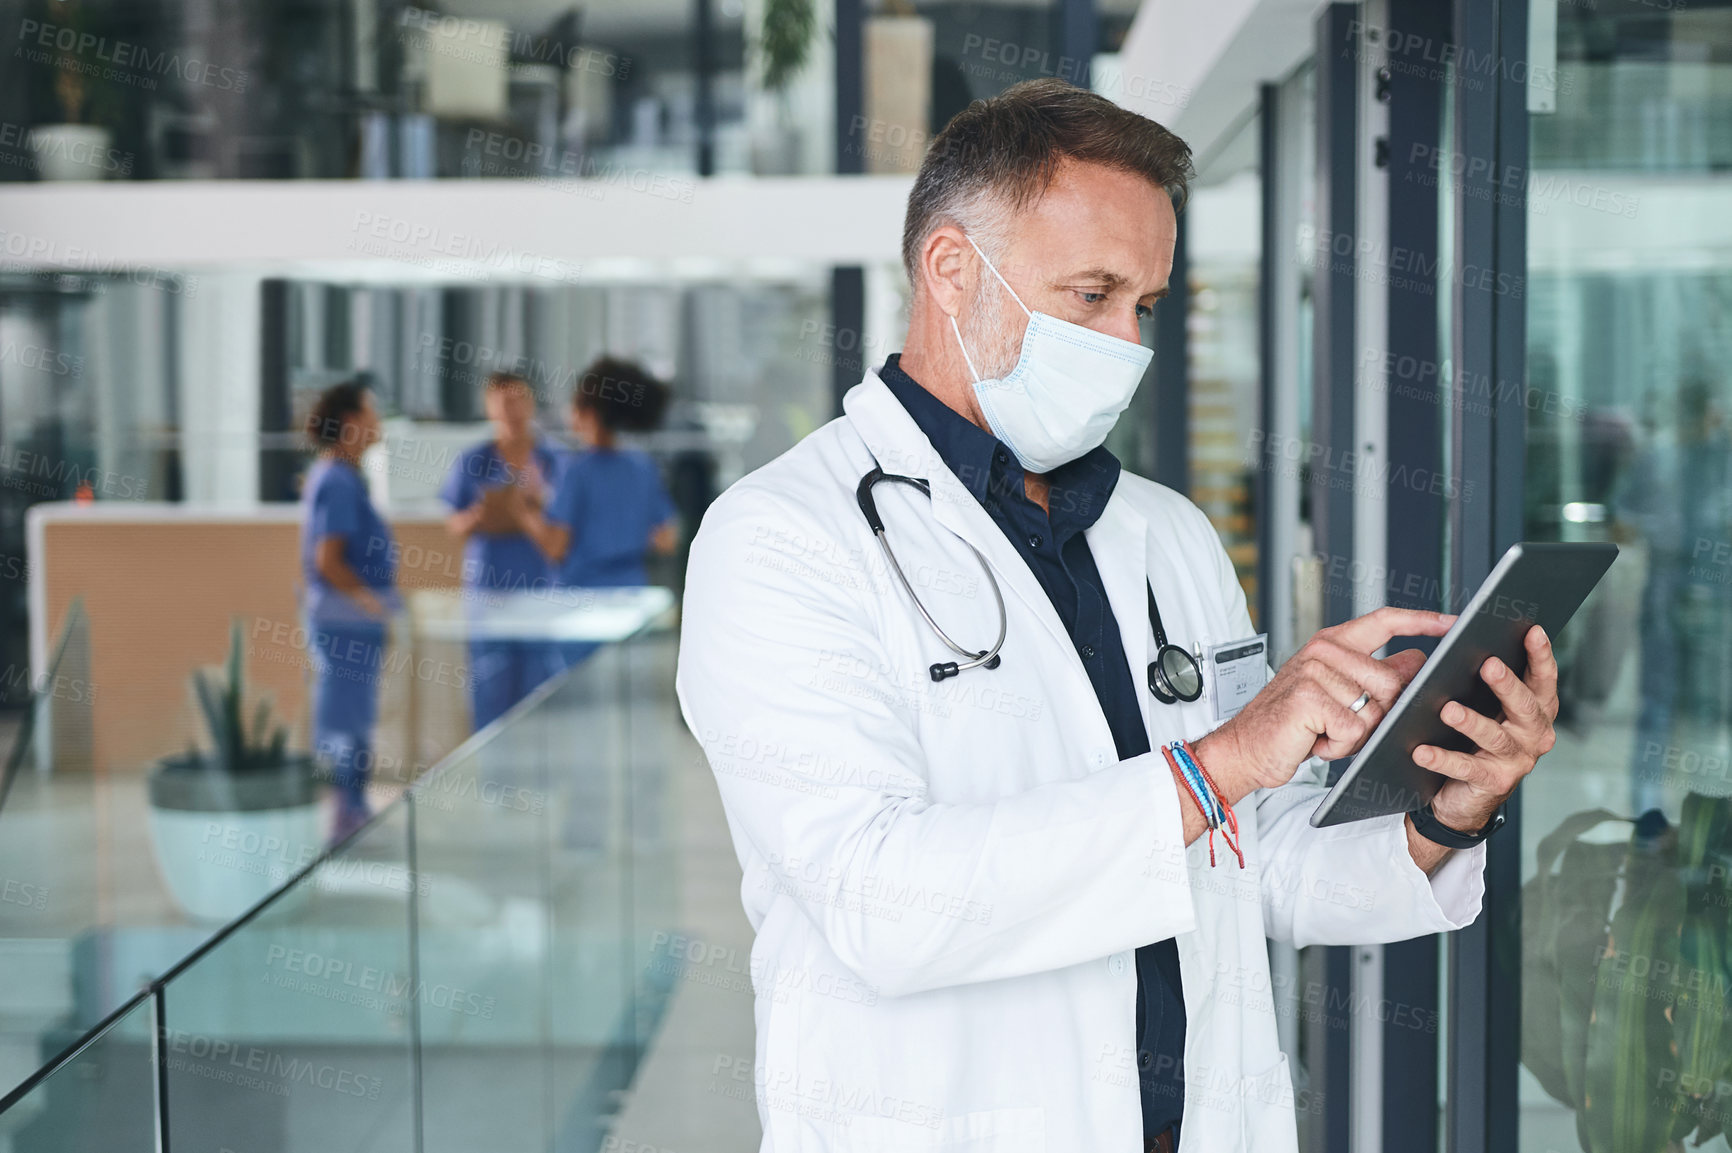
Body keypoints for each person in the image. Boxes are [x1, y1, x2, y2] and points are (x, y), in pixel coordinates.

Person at [675, 80, 1560, 1153]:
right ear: (950, 270)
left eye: (1144, 303)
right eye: (1090, 293)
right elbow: (879, 904)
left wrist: (1440, 813)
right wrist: (1219, 761)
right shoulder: (781, 536)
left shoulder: (1166, 536)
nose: (1124, 340)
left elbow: (1247, 865)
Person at [530, 357, 679, 667]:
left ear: (588, 412)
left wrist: (524, 511)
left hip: (583, 604)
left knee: (580, 700)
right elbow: (667, 539)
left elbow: (557, 545)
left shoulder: (576, 471)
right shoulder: (643, 467)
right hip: (633, 595)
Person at [300, 381, 397, 845]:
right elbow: (328, 559)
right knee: (343, 725)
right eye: (371, 412)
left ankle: (352, 813)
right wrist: (370, 603)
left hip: (350, 624)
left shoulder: (343, 476)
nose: (377, 422)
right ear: (351, 422)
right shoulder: (337, 480)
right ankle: (345, 818)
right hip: (344, 624)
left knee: (353, 722)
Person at [439, 371, 562, 730]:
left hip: (538, 587)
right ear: (489, 407)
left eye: (519, 400)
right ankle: (494, 784)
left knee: (540, 688)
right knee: (490, 687)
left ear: (532, 403)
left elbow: (565, 523)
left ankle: (538, 782)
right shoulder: (473, 461)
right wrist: (483, 514)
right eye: (504, 402)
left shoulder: (552, 460)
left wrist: (530, 506)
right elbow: (453, 524)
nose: (513, 410)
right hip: (489, 591)